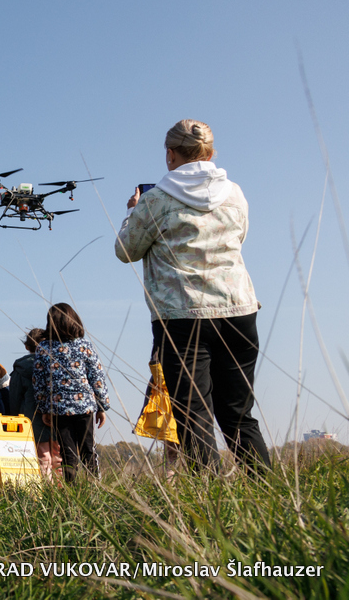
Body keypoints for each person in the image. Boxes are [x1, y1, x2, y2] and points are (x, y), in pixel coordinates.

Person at [115, 119, 270, 473]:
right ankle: (266, 493)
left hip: (181, 315)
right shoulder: (235, 193)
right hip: (238, 308)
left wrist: (131, 213)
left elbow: (126, 250)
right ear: (211, 154)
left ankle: (208, 501)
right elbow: (239, 238)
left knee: (192, 413)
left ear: (169, 154)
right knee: (238, 413)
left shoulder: (155, 200)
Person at [33, 304, 110, 484]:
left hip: (59, 408)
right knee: (88, 449)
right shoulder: (85, 346)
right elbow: (97, 377)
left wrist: (44, 408)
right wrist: (102, 405)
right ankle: (94, 487)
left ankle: (72, 491)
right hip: (85, 407)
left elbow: (39, 381)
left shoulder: (43, 347)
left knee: (67, 452)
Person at [7, 328, 62, 479]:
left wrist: (14, 417)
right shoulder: (57, 364)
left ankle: (47, 489)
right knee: (58, 455)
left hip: (31, 418)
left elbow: (15, 397)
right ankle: (63, 489)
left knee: (42, 456)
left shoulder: (21, 368)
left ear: (27, 346)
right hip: (57, 414)